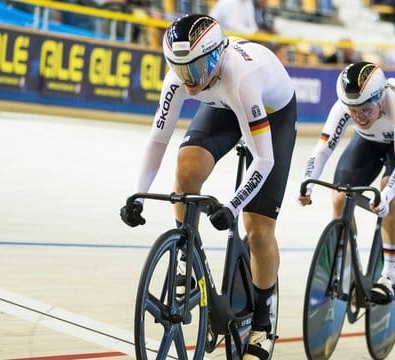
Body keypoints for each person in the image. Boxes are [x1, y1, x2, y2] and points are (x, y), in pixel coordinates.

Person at [120, 14, 297, 359]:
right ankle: (189, 256)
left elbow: (265, 160)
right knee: (186, 170)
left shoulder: (241, 80)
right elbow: (158, 141)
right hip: (222, 104)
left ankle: (263, 322)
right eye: (179, 68)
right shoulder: (183, 78)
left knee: (256, 226)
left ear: (216, 56)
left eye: (195, 69)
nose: (187, 80)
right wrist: (136, 192)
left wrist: (231, 206)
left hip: (270, 111)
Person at [298, 62, 395, 304]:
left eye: (366, 110)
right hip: (368, 141)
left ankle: (389, 277)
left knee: (391, 194)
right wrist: (307, 182)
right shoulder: (345, 107)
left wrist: (387, 194)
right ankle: (345, 263)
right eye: (353, 111)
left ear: (380, 99)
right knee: (339, 195)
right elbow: (322, 150)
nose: (359, 117)